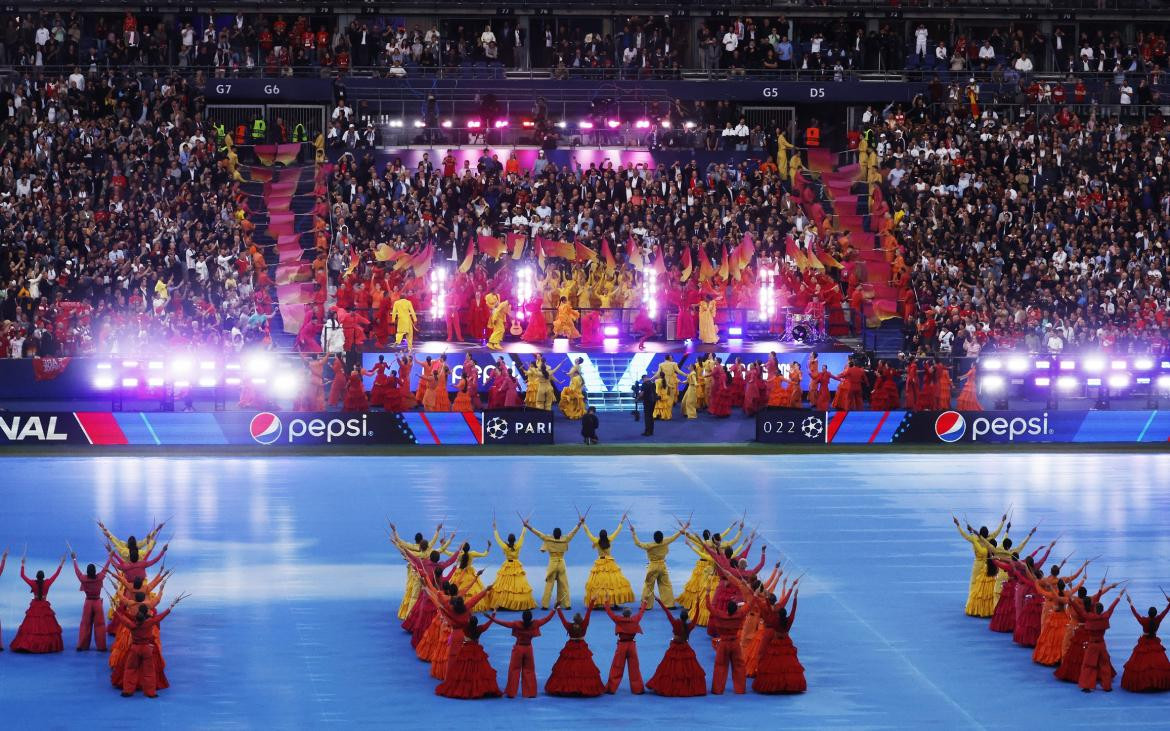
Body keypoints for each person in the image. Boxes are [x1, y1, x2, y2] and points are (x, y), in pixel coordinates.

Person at [115, 595, 187, 698]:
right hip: (147, 649)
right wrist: (172, 605)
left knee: (130, 669)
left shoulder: (132, 625)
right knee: (149, 671)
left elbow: (122, 619)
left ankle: (127, 691)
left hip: (134, 649)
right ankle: (151, 693)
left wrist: (116, 610)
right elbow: (162, 616)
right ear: (145, 616)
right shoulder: (149, 623)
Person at [523, 514, 586, 610]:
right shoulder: (565, 539)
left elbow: (537, 533)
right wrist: (580, 522)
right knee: (564, 585)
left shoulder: (548, 539)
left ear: (553, 534)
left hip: (552, 564)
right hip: (561, 564)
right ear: (560, 535)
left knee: (549, 585)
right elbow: (573, 532)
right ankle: (567, 605)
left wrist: (527, 526)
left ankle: (545, 605)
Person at [646, 599, 706, 696]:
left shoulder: (675, 623)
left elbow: (667, 612)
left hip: (674, 648)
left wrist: (659, 601)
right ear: (687, 618)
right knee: (688, 670)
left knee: (669, 669)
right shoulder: (690, 626)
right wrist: (698, 604)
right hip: (685, 648)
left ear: (680, 617)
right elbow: (696, 617)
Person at [492, 609, 557, 698]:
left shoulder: (516, 624)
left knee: (514, 670)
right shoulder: (535, 624)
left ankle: (511, 692)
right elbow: (546, 619)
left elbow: (504, 624)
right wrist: (554, 609)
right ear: (531, 618)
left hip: (518, 649)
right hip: (528, 649)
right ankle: (530, 693)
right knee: (529, 670)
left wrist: (492, 618)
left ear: (522, 617)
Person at [10, 553, 67, 653]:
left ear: (36, 576)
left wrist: (22, 564)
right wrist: (61, 563)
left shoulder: (32, 583)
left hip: (35, 605)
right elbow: (56, 574)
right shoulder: (48, 583)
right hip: (44, 605)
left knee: (31, 626)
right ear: (44, 576)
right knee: (47, 626)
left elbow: (22, 575)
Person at [434, 616, 501, 699]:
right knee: (479, 669)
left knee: (462, 669)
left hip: (466, 649)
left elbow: (456, 620)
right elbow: (488, 624)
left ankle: (464, 689)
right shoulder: (479, 629)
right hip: (477, 650)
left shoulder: (465, 628)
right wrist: (493, 615)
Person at [545, 608, 606, 697]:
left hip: (570, 646)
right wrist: (593, 601)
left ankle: (567, 689)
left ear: (573, 620)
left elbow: (562, 619)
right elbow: (588, 613)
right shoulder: (584, 625)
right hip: (581, 647)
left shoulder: (569, 626)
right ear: (581, 620)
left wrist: (558, 609)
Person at [953, 515, 1005, 617]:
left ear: (980, 533)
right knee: (988, 585)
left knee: (973, 583)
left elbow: (964, 535)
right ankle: (989, 605)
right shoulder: (989, 538)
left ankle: (970, 603)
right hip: (988, 563)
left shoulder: (975, 539)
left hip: (977, 564)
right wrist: (1002, 521)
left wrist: (958, 525)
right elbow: (997, 532)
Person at [1073, 593, 1124, 693]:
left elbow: (1080, 610)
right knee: (1105, 665)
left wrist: (1071, 600)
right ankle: (1107, 686)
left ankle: (1087, 686)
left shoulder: (1090, 617)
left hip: (1092, 645)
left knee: (1088, 665)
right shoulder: (1106, 616)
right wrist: (1118, 596)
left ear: (1095, 610)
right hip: (1101, 644)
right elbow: (1111, 608)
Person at [1120, 592, 1170, 692]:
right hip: (1154, 642)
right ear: (1156, 614)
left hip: (1144, 642)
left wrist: (1130, 603)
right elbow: (1166, 611)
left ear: (1148, 613)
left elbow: (1135, 614)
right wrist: (1169, 602)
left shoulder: (1144, 621)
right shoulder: (1158, 619)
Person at [631, 523, 687, 609]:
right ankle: (669, 604)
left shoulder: (649, 546)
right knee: (666, 585)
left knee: (648, 585)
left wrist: (633, 532)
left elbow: (638, 543)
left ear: (654, 538)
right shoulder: (666, 541)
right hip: (662, 566)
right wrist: (682, 530)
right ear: (662, 537)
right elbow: (674, 537)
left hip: (652, 566)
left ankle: (646, 606)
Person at [583, 517, 636, 607]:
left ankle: (597, 602)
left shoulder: (596, 541)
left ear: (599, 536)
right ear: (606, 535)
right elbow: (617, 531)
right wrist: (622, 521)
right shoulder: (610, 539)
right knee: (613, 583)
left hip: (600, 563)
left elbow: (588, 532)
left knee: (598, 583)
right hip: (610, 563)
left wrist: (583, 523)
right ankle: (615, 602)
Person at [71, 549, 113, 651]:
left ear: (87, 571)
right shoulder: (99, 577)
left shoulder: (83, 578)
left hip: (88, 603)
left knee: (85, 624)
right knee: (100, 625)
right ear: (95, 571)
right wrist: (110, 557)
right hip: (97, 603)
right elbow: (106, 568)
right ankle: (101, 646)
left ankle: (82, 645)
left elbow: (77, 571)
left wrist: (74, 559)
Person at [706, 597, 748, 694]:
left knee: (720, 666)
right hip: (735, 643)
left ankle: (717, 690)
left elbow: (709, 606)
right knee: (739, 666)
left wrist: (708, 594)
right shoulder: (740, 615)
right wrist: (755, 595)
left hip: (723, 644)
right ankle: (740, 689)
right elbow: (748, 606)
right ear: (736, 609)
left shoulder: (720, 615)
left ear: (727, 608)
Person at [604, 603, 647, 694]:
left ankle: (611, 688)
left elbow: (609, 612)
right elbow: (641, 612)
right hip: (632, 646)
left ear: (623, 614)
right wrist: (644, 603)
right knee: (634, 668)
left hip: (621, 646)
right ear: (630, 614)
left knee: (617, 667)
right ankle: (638, 689)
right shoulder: (635, 619)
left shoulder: (618, 619)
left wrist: (606, 603)